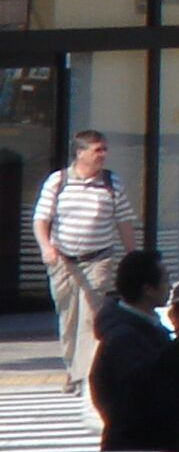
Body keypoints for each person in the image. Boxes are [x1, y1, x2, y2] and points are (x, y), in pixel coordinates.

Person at [33, 130, 138, 394]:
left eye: (104, 149)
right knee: (68, 317)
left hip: (98, 258)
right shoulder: (58, 182)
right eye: (97, 150)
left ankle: (85, 375)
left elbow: (124, 222)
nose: (102, 155)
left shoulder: (111, 183)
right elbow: (41, 219)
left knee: (91, 318)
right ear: (80, 153)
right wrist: (46, 247)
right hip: (63, 260)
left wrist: (133, 255)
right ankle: (72, 369)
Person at [89, 249, 179, 452]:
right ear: (148, 290)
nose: (170, 286)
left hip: (137, 451)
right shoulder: (124, 339)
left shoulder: (137, 328)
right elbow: (136, 399)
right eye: (165, 280)